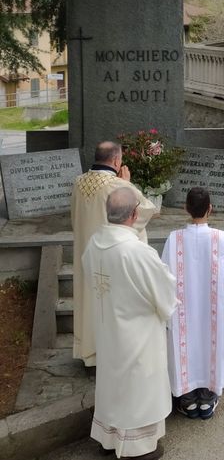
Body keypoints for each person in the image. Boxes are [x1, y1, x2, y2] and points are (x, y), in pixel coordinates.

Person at [82, 187, 177, 460]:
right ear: (134, 214)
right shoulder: (137, 251)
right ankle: (136, 450)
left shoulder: (94, 243)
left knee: (113, 384)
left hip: (108, 329)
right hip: (137, 334)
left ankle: (109, 439)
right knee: (138, 388)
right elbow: (164, 289)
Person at [71, 141, 157, 367]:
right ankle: (110, 353)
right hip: (112, 255)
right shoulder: (117, 186)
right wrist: (127, 184)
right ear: (117, 161)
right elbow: (146, 210)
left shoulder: (78, 182)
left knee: (89, 301)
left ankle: (89, 351)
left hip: (86, 253)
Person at [162, 187, 224, 421]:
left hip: (183, 308)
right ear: (210, 209)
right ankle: (207, 397)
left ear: (185, 208)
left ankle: (187, 398)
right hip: (210, 307)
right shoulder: (220, 238)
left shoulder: (174, 238)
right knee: (209, 343)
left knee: (184, 344)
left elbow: (165, 272)